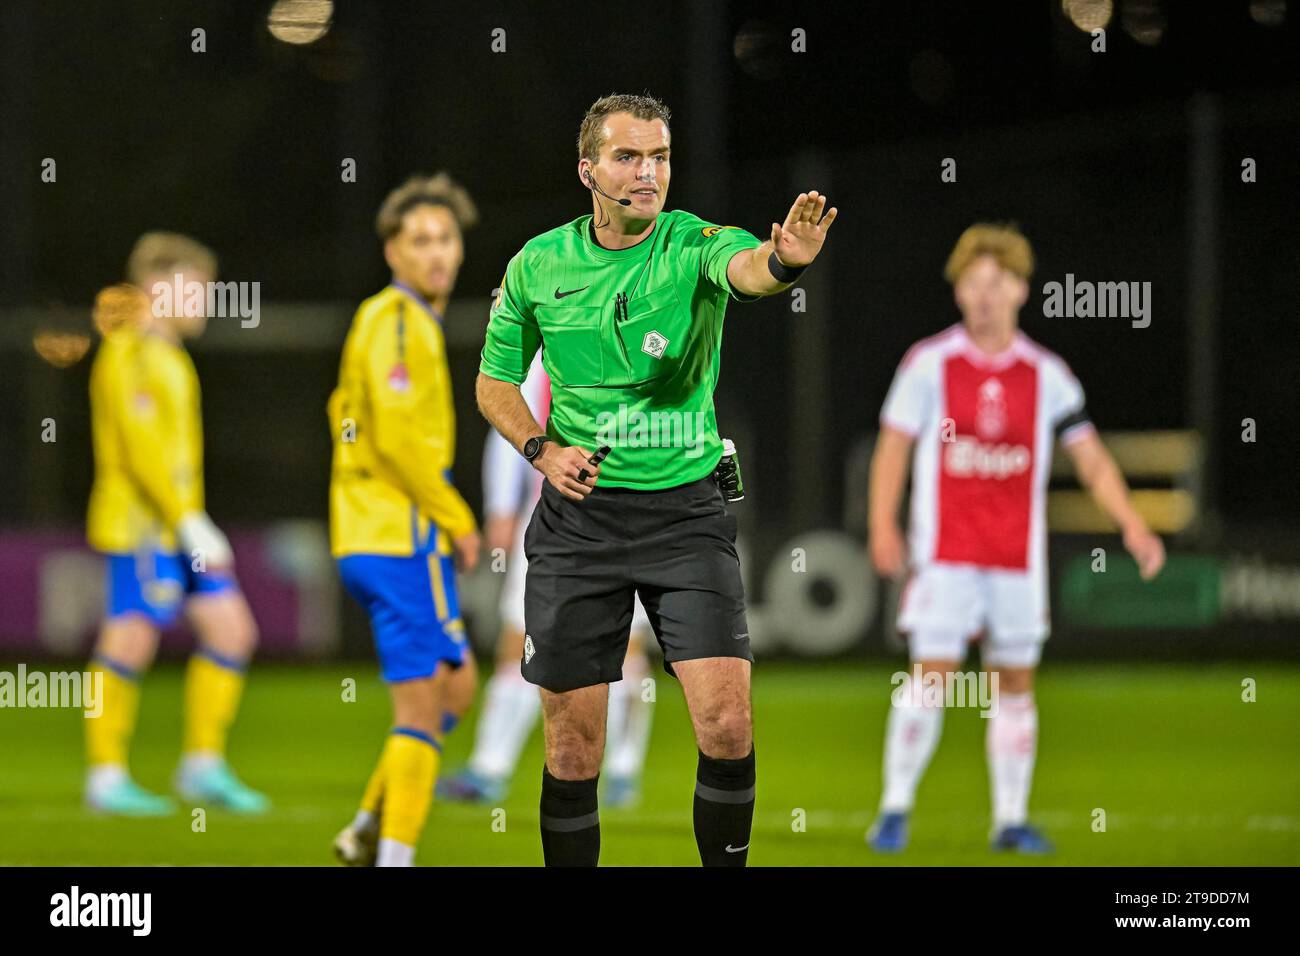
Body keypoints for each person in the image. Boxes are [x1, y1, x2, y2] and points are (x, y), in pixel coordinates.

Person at [476, 93, 837, 866]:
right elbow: (494, 383)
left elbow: (747, 269)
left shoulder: (692, 242)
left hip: (686, 516)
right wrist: (540, 449)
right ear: (588, 170)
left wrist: (782, 262)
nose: (648, 173)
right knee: (573, 748)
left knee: (727, 724)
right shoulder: (537, 263)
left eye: (660, 157)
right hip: (580, 523)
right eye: (628, 157)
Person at [865, 222, 1166, 854]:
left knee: (1016, 685)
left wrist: (1132, 523)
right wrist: (881, 523)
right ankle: (894, 809)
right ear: (958, 293)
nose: (984, 296)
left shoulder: (1047, 373)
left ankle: (1009, 819)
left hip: (1014, 561)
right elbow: (893, 447)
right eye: (973, 284)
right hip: (944, 556)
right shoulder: (929, 363)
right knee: (930, 677)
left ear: (1021, 291)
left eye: (996, 284)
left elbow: (1090, 459)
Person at [85, 233, 267, 816]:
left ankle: (202, 766)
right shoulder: (132, 349)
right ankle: (105, 777)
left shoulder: (167, 352)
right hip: (142, 526)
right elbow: (141, 453)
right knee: (130, 638)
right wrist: (187, 520)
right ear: (159, 287)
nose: (206, 302)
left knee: (232, 631)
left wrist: (193, 520)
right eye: (197, 289)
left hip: (180, 527)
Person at [329, 173, 482, 867]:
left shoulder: (388, 318)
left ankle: (367, 823)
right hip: (398, 537)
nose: (437, 253)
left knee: (459, 683)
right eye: (419, 240)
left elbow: (346, 417)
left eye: (446, 239)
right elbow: (390, 435)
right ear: (391, 251)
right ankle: (392, 856)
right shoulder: (397, 320)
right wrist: (457, 516)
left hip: (375, 534)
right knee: (420, 712)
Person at [439, 353, 655, 808]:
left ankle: (622, 771)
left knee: (626, 648)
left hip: (627, 516)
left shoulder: (635, 327)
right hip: (549, 516)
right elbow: (511, 421)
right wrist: (502, 506)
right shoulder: (542, 339)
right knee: (519, 641)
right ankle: (488, 768)